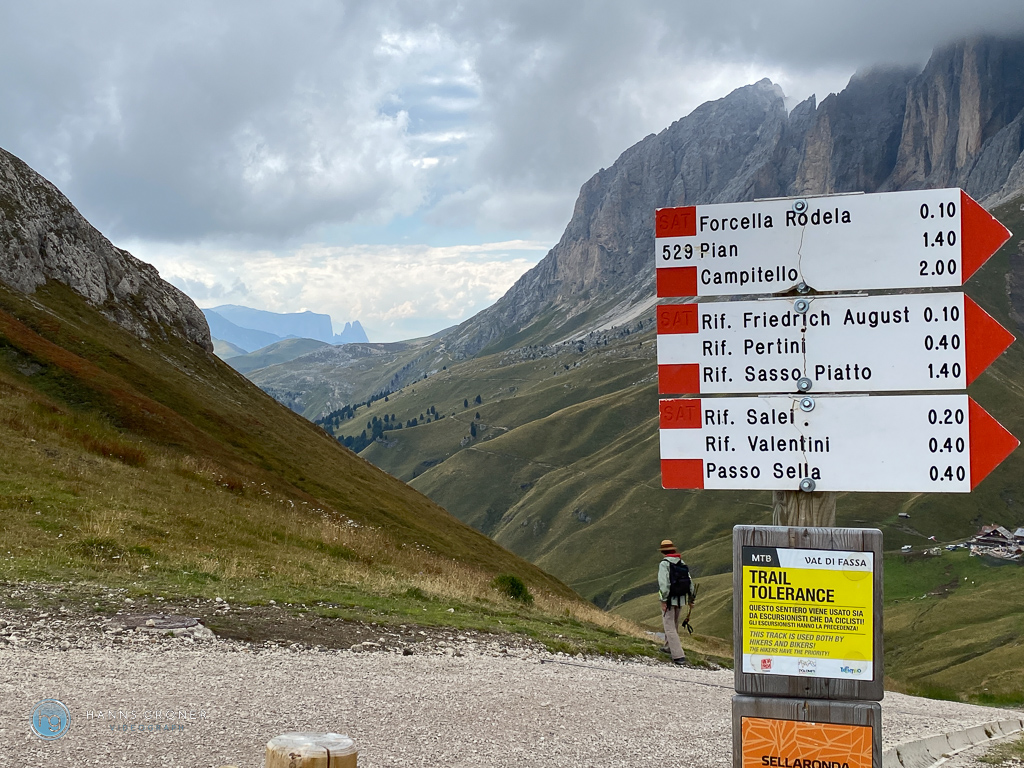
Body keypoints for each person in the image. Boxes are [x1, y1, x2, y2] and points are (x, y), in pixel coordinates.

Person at [658, 538, 695, 665]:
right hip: (681, 599)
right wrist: (691, 599)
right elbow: (690, 582)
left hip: (669, 600)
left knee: (669, 627)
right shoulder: (681, 562)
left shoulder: (664, 564)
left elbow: (664, 584)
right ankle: (668, 647)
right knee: (674, 624)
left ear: (663, 552)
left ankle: (678, 656)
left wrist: (663, 600)